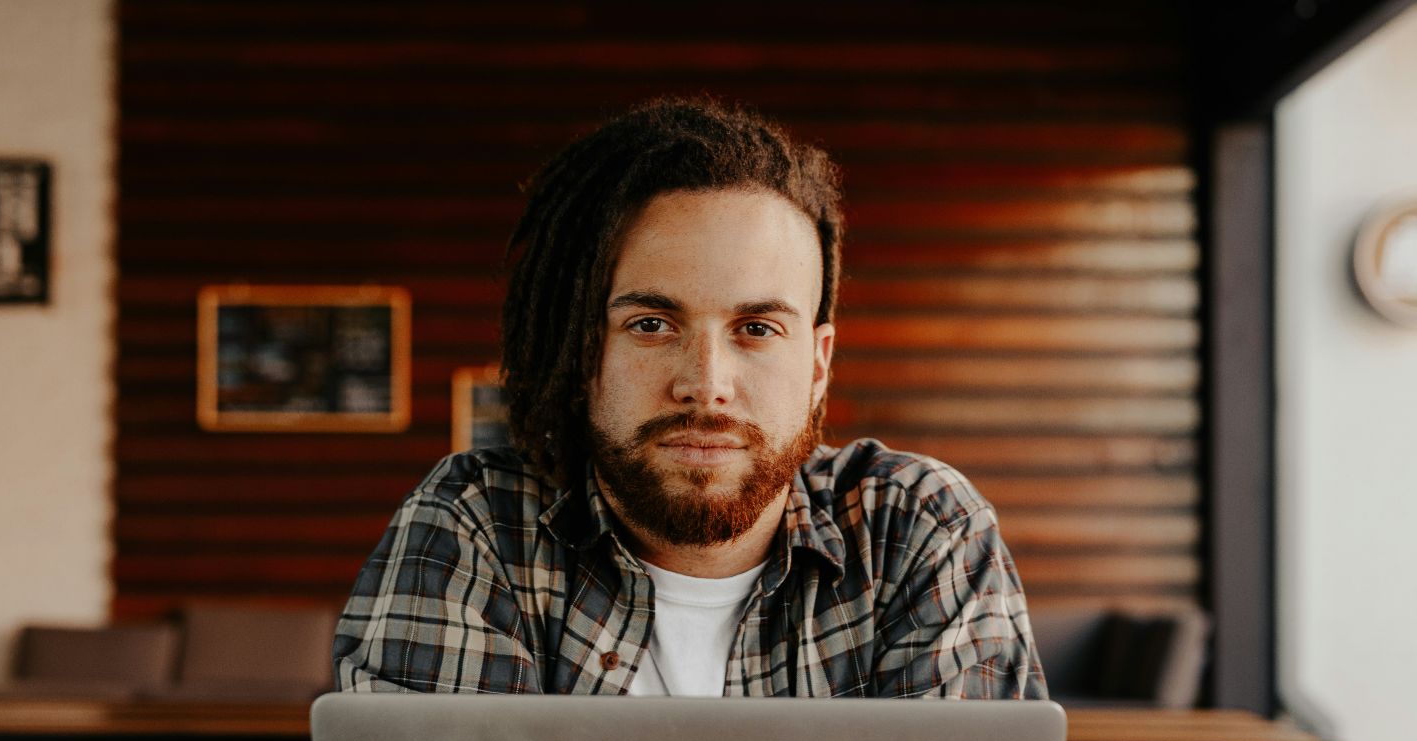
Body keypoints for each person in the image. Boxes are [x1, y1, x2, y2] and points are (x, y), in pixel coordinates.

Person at [334, 98, 1046, 699]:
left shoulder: (918, 530)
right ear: (580, 351)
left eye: (757, 328)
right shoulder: (475, 529)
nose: (706, 383)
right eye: (651, 324)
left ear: (818, 363)